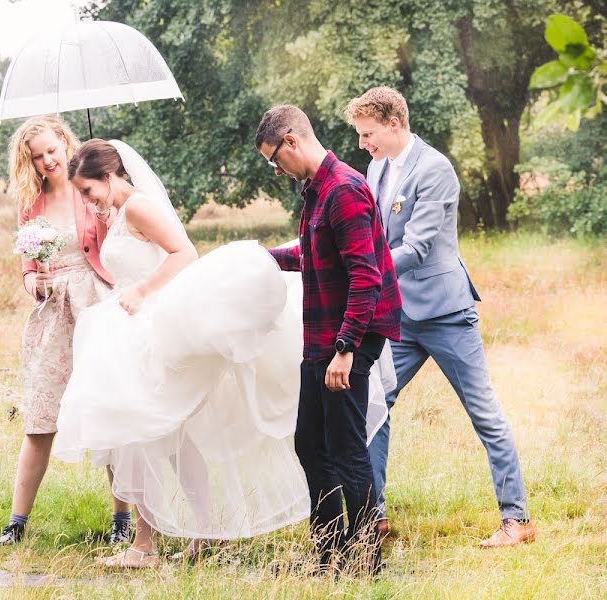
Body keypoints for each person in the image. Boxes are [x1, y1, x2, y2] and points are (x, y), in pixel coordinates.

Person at [53, 138, 319, 568]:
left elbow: (184, 252)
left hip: (152, 328)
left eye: (88, 191)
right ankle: (183, 536)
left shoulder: (138, 207)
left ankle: (154, 543)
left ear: (108, 176)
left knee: (152, 435)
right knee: (155, 437)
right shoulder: (119, 213)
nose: (87, 201)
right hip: (129, 328)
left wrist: (140, 291)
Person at [345, 86, 535, 548]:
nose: (362, 144)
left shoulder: (435, 169)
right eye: (359, 135)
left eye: (368, 133)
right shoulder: (375, 167)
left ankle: (518, 521)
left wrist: (364, 272)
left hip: (447, 314)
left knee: (483, 412)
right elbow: (374, 234)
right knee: (374, 403)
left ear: (394, 123)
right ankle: (375, 514)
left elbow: (417, 247)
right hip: (400, 317)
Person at [255, 104, 402, 574]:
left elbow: (367, 277)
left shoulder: (344, 191)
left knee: (345, 448)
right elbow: (314, 254)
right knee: (309, 444)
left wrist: (346, 349)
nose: (276, 169)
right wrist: (260, 260)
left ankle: (364, 560)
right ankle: (327, 552)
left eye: (275, 159)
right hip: (322, 334)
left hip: (349, 338)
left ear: (292, 141)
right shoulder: (315, 192)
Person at [0, 116, 132, 546]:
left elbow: (122, 245)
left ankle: (121, 520)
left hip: (96, 302)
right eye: (37, 157)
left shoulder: (91, 190)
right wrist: (32, 283)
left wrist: (105, 211)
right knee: (40, 414)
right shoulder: (30, 205)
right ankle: (17, 523)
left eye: (52, 151)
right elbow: (27, 268)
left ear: (65, 142)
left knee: (109, 408)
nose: (47, 161)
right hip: (53, 312)